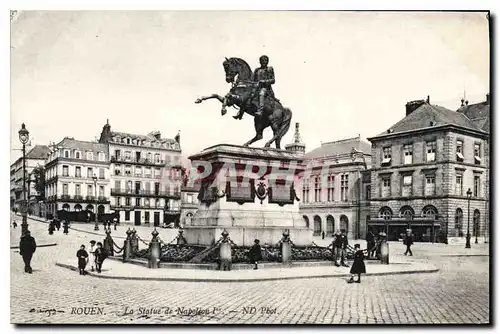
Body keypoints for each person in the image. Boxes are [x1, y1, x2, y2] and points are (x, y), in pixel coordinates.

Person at [233, 55, 275, 120]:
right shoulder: (257, 70)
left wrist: (263, 81)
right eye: (262, 61)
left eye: (265, 61)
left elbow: (273, 80)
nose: (264, 62)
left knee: (261, 93)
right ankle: (240, 113)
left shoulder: (269, 69)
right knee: (246, 95)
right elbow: (254, 80)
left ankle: (260, 111)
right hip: (256, 87)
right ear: (260, 62)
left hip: (265, 88)